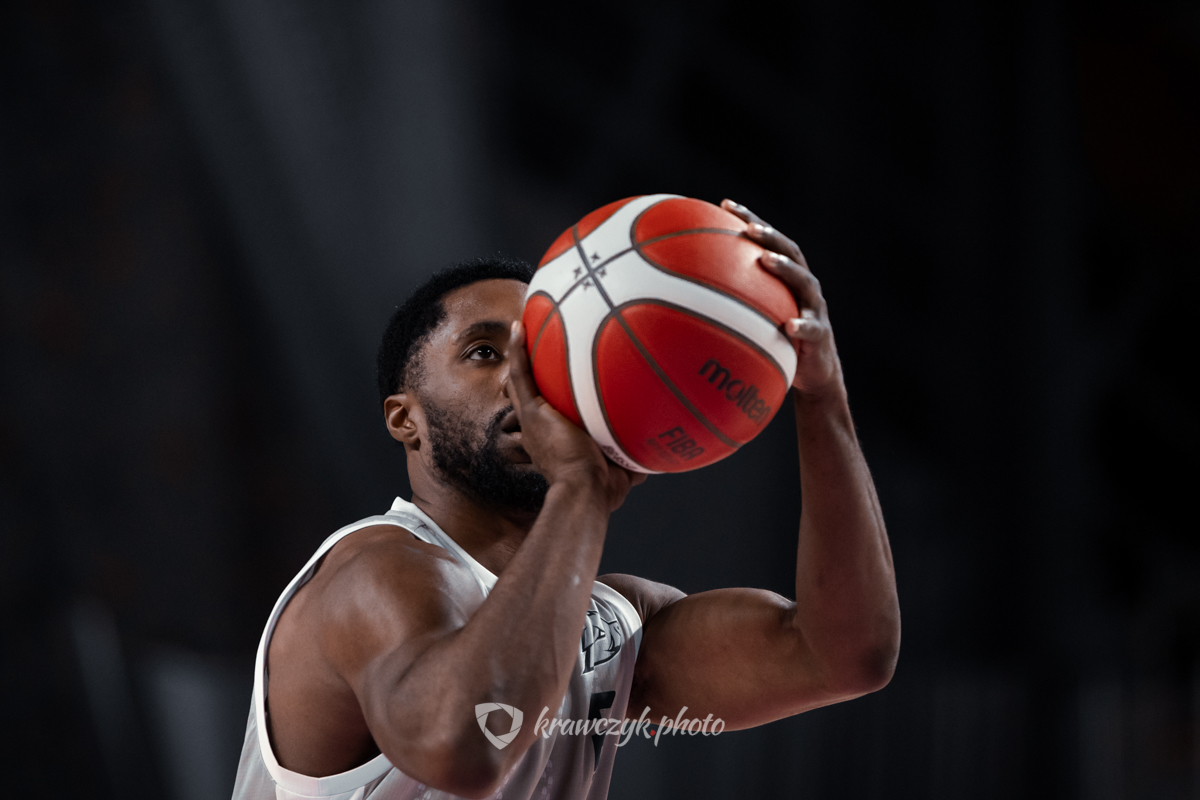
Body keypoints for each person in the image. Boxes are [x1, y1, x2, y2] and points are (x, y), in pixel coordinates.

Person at [231, 200, 900, 800]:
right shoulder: (373, 573)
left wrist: (821, 398)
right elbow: (465, 749)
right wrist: (580, 489)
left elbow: (844, 655)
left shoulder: (609, 626)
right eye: (484, 352)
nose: (525, 382)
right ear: (406, 418)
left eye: (545, 352)